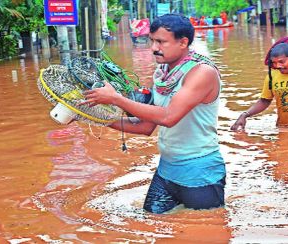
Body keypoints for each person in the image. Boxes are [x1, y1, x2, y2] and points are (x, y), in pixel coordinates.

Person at [81, 14, 226, 214]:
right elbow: (145, 126)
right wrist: (91, 115)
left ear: (183, 42)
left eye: (161, 42)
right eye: (152, 41)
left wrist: (116, 99)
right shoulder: (162, 74)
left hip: (199, 171)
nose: (154, 48)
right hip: (167, 170)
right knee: (151, 222)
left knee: (206, 227)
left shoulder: (202, 73)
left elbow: (168, 117)